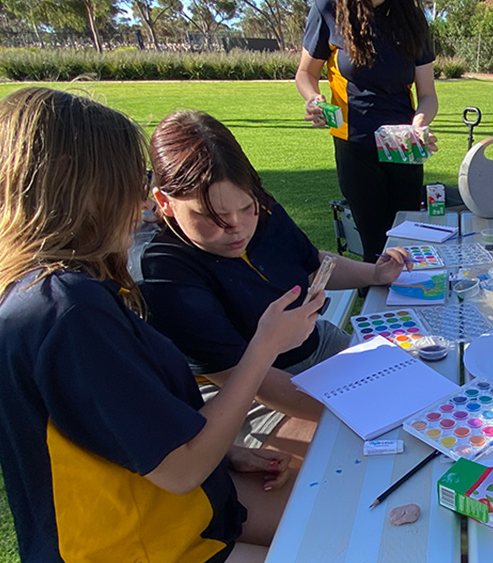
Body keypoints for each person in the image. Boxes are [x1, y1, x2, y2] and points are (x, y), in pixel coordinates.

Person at [0, 88, 395, 563]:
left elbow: (116, 430)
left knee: (359, 530)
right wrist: (264, 344)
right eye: (127, 185)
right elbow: (178, 467)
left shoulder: (64, 290)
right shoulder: (65, 312)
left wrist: (228, 452)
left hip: (182, 512)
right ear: (84, 193)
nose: (139, 205)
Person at [138, 110, 412, 448]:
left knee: (415, 388)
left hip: (318, 345)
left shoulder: (263, 210)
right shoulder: (166, 270)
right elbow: (248, 381)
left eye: (245, 207)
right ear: (165, 203)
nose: (236, 226)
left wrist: (374, 273)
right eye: (214, 216)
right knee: (347, 445)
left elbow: (312, 263)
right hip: (246, 392)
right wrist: (360, 410)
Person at [295, 0, 438, 263]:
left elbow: (428, 96)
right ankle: (375, 311)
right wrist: (313, 100)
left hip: (403, 149)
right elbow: (305, 74)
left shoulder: (413, 19)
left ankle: (412, 314)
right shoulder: (328, 9)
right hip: (354, 148)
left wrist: (420, 123)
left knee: (408, 244)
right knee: (375, 249)